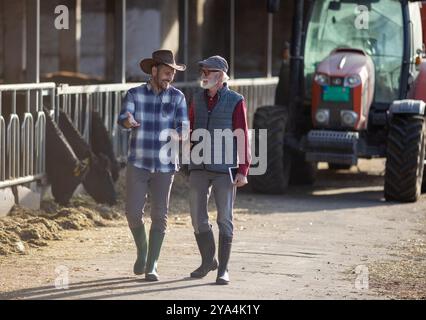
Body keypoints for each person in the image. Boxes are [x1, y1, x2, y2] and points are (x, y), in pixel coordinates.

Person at [118, 50, 188, 281]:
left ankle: (153, 265)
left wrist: (180, 135)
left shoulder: (178, 96)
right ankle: (143, 250)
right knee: (133, 214)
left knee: (160, 215)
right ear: (154, 71)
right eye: (167, 72)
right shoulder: (135, 94)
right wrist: (129, 121)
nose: (170, 77)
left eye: (173, 73)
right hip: (139, 162)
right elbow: (124, 117)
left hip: (166, 166)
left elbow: (184, 126)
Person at [188, 55, 251, 285]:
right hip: (198, 165)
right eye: (203, 71)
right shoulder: (196, 98)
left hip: (225, 168)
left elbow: (242, 135)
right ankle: (208, 261)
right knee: (197, 217)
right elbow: (191, 127)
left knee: (224, 217)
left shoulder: (236, 100)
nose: (204, 75)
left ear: (221, 75)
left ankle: (223, 269)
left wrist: (243, 169)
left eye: (209, 71)